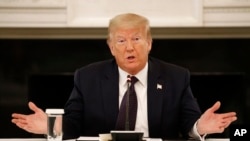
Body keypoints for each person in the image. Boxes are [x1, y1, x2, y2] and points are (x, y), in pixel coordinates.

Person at [11, 13, 237, 140]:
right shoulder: (88, 77)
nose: (129, 48)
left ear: (149, 43)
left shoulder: (176, 77)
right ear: (111, 47)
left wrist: (202, 128)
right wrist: (49, 126)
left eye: (137, 39)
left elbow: (189, 125)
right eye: (121, 41)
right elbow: (72, 124)